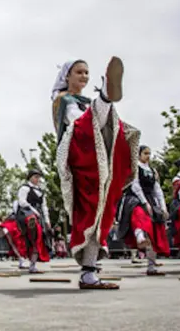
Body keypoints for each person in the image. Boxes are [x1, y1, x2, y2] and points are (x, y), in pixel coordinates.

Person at [53, 57, 140, 289]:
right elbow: (75, 126)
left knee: (99, 210)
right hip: (79, 154)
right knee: (90, 209)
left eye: (86, 73)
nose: (83, 76)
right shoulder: (63, 100)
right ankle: (106, 96)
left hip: (97, 156)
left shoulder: (83, 102)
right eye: (79, 72)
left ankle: (89, 273)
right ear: (67, 76)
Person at [116, 145, 169, 276]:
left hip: (150, 199)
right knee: (139, 216)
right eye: (145, 153)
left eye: (149, 153)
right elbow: (135, 186)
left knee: (155, 231)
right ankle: (139, 237)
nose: (148, 156)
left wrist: (163, 206)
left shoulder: (152, 170)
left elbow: (157, 189)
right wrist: (144, 202)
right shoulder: (135, 168)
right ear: (139, 154)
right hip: (135, 199)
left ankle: (151, 266)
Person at [15, 169, 52, 273]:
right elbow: (22, 202)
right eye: (35, 177)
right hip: (26, 212)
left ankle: (32, 265)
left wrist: (47, 220)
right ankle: (30, 225)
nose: (37, 179)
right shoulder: (24, 188)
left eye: (38, 177)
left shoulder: (41, 191)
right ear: (30, 177)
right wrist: (34, 211)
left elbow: (44, 207)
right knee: (31, 221)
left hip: (39, 216)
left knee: (38, 239)